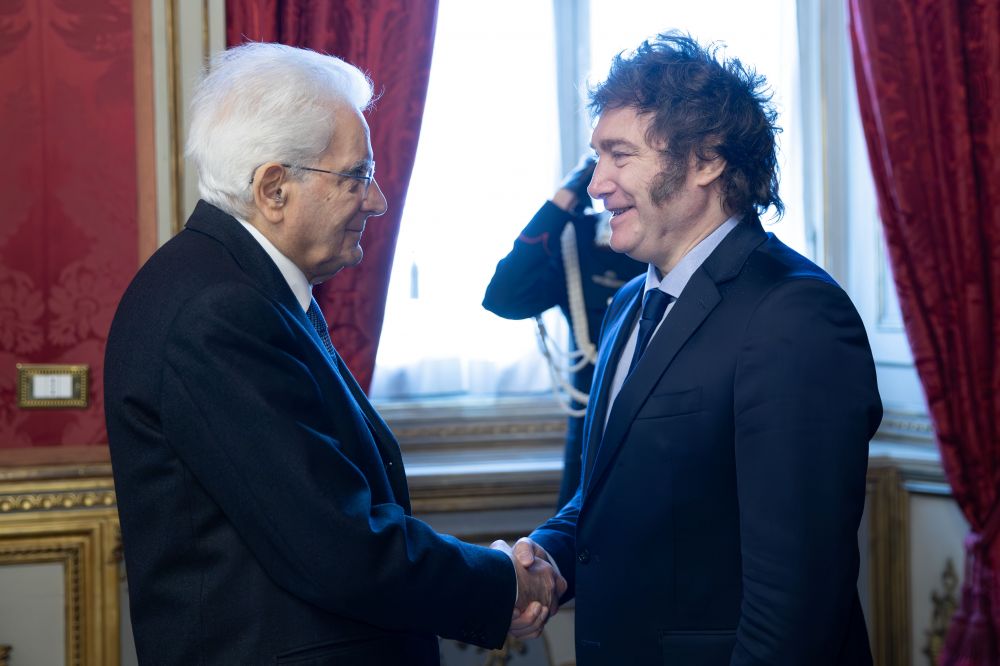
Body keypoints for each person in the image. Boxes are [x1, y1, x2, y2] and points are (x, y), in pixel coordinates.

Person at [104, 42, 563, 665]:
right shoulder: (220, 311)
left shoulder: (233, 285)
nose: (376, 201)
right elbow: (337, 547)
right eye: (356, 176)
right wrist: (503, 579)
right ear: (273, 188)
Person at [505, 32, 883, 664]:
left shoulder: (795, 315)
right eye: (597, 157)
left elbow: (795, 603)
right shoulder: (629, 304)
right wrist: (547, 552)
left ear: (706, 161)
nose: (597, 183)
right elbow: (617, 492)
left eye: (619, 155)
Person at [483, 156, 645, 508]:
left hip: (652, 434)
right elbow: (503, 297)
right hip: (589, 433)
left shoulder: (661, 245)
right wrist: (560, 203)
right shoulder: (577, 241)